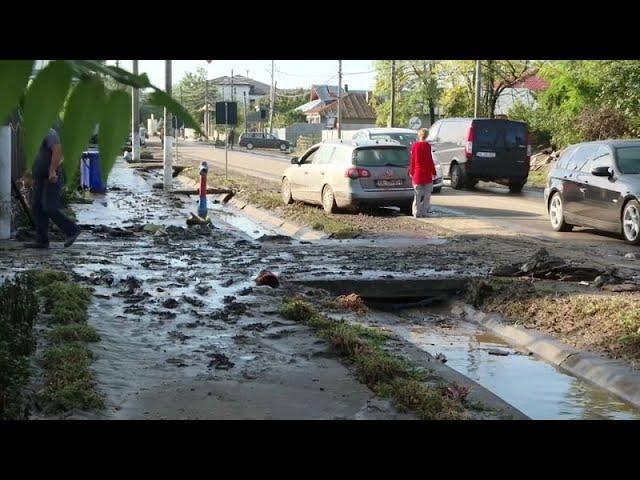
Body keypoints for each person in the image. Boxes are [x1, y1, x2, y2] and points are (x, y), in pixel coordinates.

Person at [25, 124, 81, 249]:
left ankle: (73, 230)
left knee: (49, 207)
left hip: (52, 176)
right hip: (40, 178)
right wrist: (29, 175)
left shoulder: (48, 132)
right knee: (37, 208)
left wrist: (52, 171)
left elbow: (57, 150)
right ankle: (42, 241)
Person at [408, 128, 436, 218]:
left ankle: (416, 212)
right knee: (427, 195)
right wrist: (433, 171)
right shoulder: (428, 146)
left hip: (417, 174)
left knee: (417, 195)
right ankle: (424, 211)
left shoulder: (414, 146)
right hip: (427, 174)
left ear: (419, 135)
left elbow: (413, 160)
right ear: (427, 136)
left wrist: (411, 171)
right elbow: (430, 160)